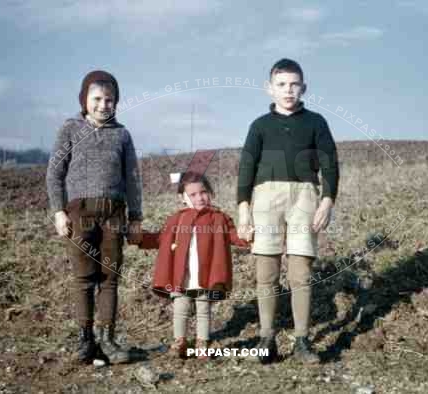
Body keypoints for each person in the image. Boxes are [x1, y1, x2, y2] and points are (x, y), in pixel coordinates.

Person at [237, 58, 340, 364]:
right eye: (281, 84)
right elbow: (246, 168)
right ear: (270, 89)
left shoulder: (316, 122)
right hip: (265, 199)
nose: (288, 90)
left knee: (301, 273)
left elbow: (330, 164)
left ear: (303, 87)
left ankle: (302, 341)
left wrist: (327, 200)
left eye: (294, 84)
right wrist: (244, 209)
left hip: (304, 199)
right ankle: (266, 339)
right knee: (266, 273)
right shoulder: (259, 126)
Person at [46, 70, 143, 364]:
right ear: (84, 99)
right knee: (84, 278)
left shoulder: (122, 134)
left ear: (116, 102)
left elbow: (133, 178)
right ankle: (85, 340)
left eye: (109, 99)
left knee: (110, 278)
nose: (103, 105)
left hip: (114, 215)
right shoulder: (70, 129)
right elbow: (54, 173)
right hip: (79, 214)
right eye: (97, 99)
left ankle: (108, 340)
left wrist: (136, 217)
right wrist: (59, 211)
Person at [138, 171, 249, 360]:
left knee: (203, 309)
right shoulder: (177, 219)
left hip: (206, 276)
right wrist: (139, 237)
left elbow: (234, 236)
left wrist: (248, 236)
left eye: (203, 192)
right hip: (181, 276)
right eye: (193, 194)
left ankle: (201, 343)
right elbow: (161, 238)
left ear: (210, 193)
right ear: (183, 198)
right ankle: (180, 341)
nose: (200, 197)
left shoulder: (219, 218)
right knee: (180, 308)